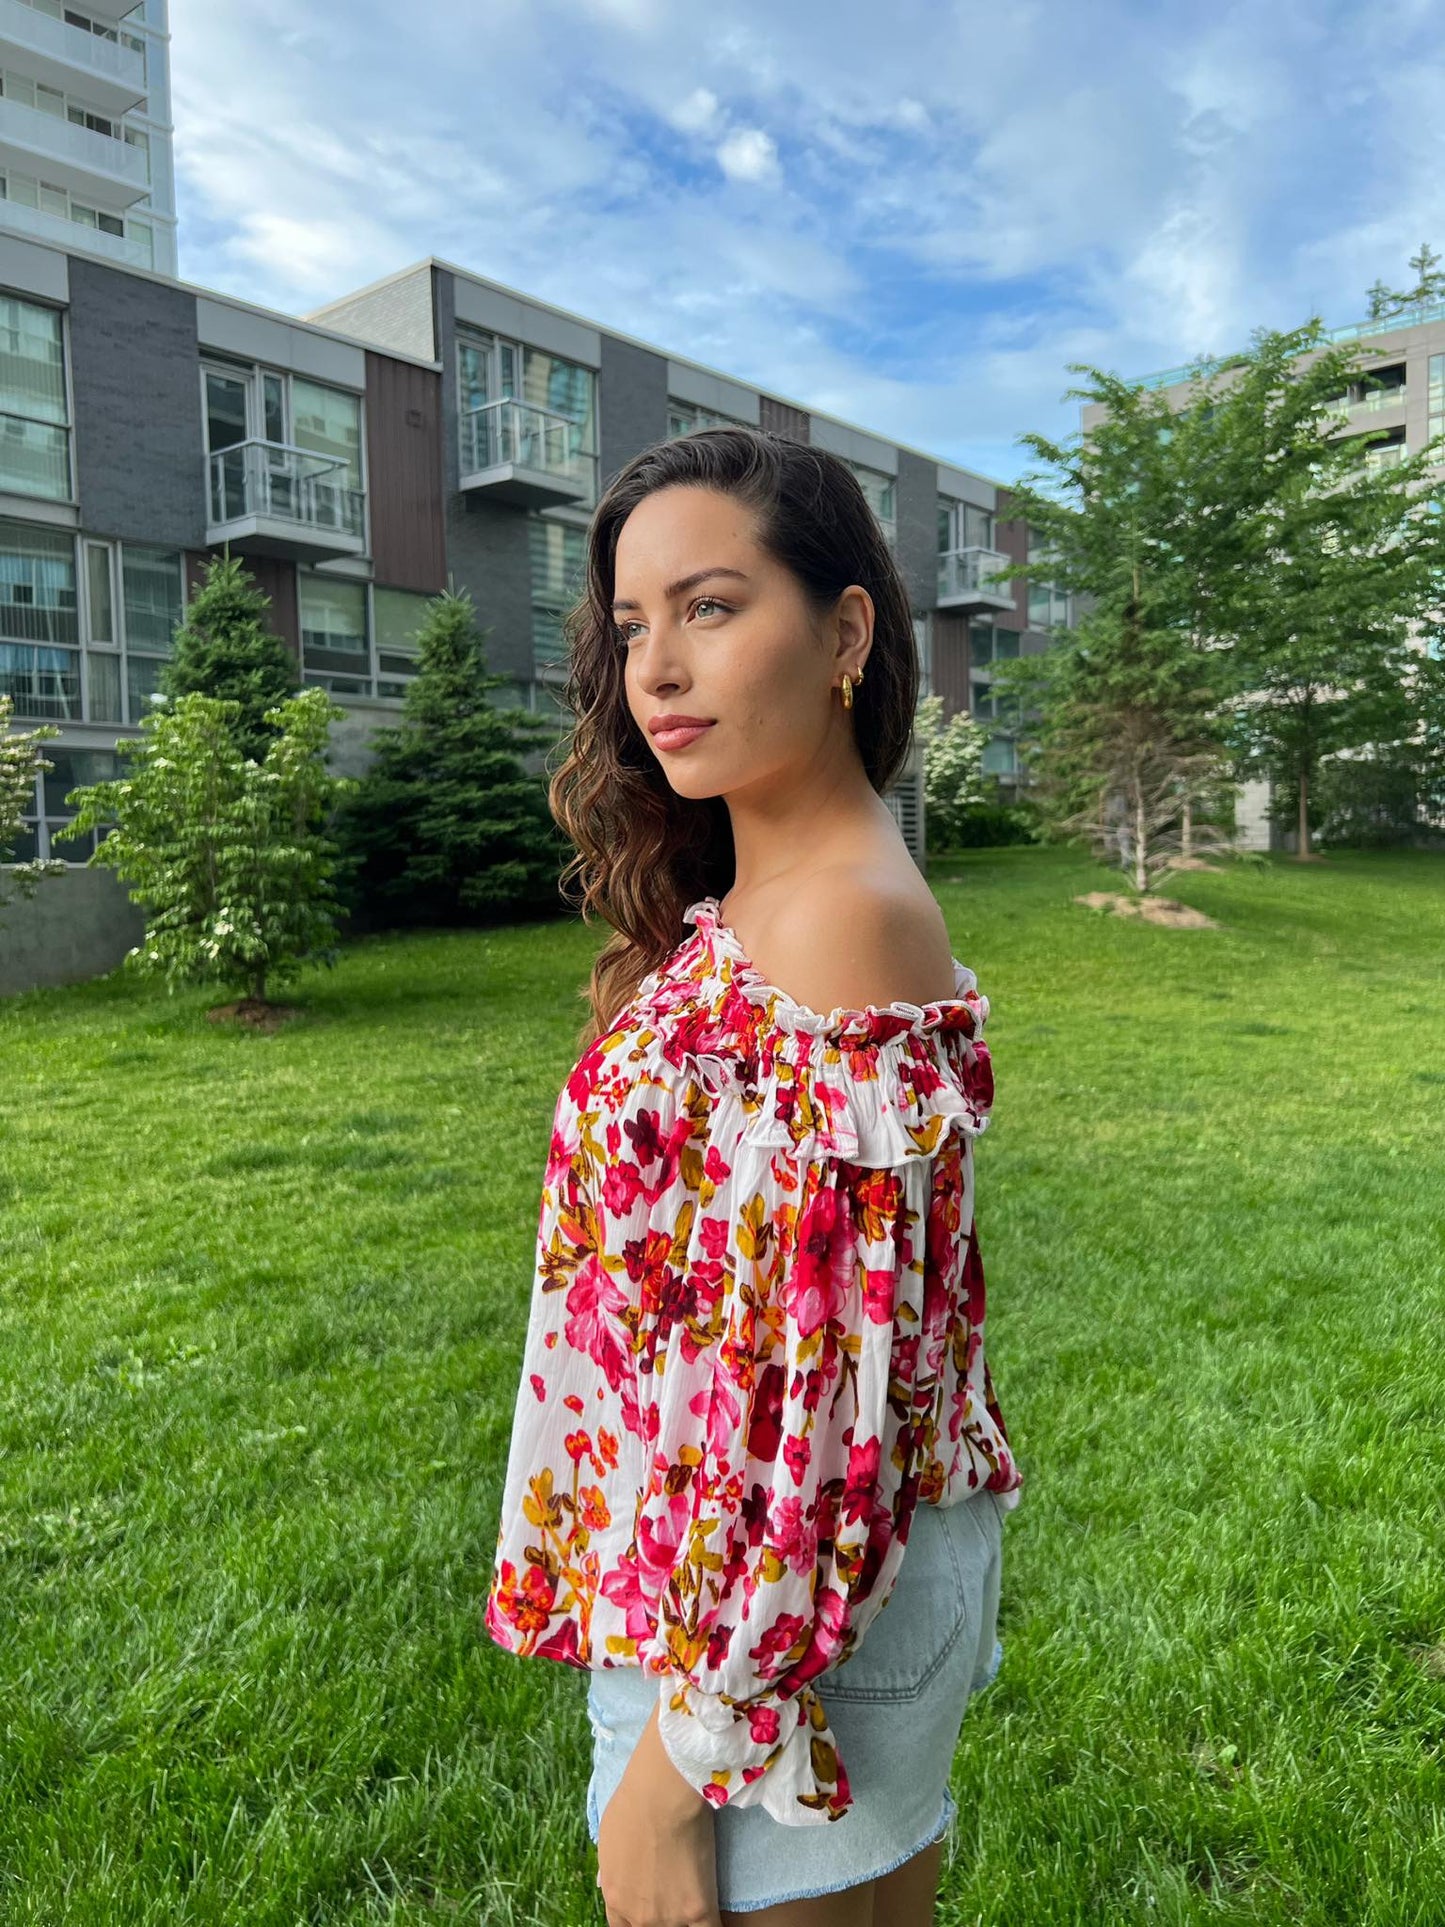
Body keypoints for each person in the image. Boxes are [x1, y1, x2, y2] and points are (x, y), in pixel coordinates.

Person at [485, 426, 1023, 1926]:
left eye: (710, 608)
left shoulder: (843, 923)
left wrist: (675, 1777)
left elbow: (816, 1418)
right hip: (718, 1591)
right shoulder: (756, 897)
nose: (656, 666)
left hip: (773, 1643)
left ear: (845, 629)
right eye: (633, 623)